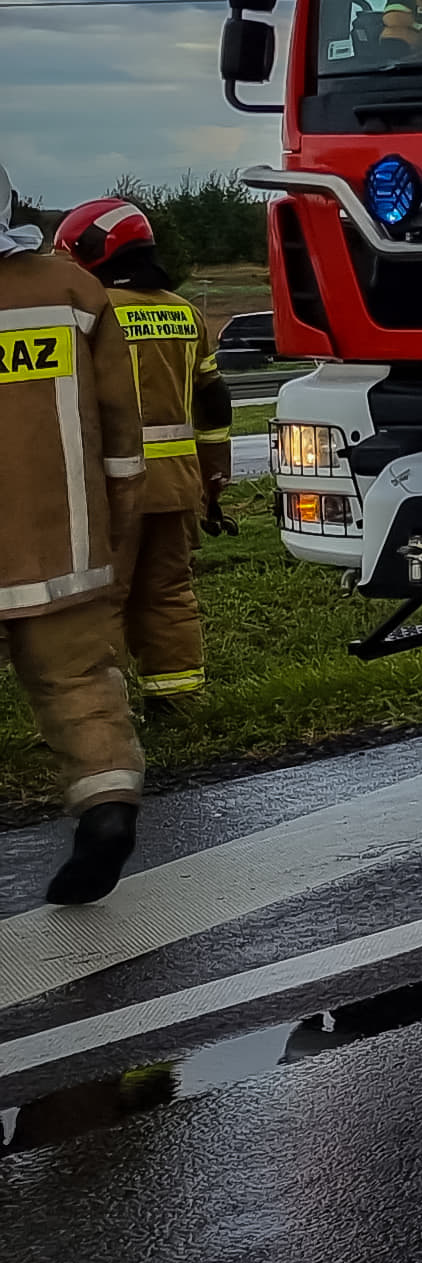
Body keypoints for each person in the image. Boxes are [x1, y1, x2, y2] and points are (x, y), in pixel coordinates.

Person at [0, 166, 149, 904]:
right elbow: (123, 439)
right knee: (82, 691)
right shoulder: (72, 291)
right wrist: (112, 536)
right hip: (66, 547)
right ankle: (107, 811)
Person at [62, 199, 230, 702]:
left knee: (102, 601)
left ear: (95, 251)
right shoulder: (185, 313)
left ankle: (103, 711)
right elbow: (213, 399)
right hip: (179, 484)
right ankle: (179, 695)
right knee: (169, 592)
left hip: (113, 486)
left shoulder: (93, 312)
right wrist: (213, 474)